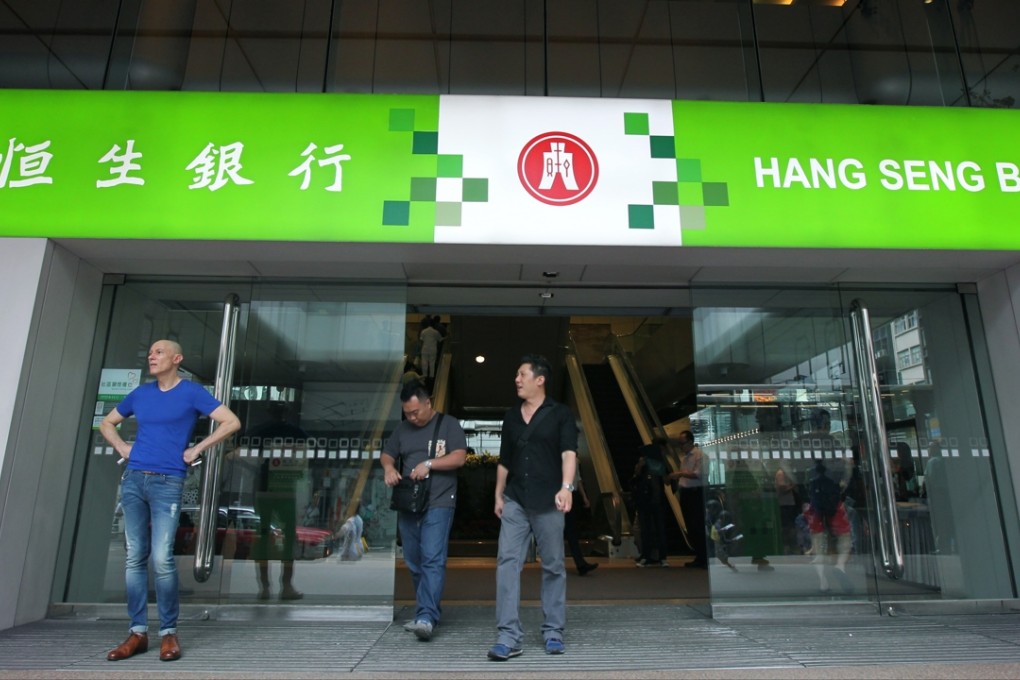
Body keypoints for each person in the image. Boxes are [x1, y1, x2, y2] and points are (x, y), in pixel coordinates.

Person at [99, 339, 241, 662]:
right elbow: (107, 422)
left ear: (177, 358)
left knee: (162, 558)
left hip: (168, 482)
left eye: (159, 352)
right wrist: (123, 448)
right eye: (149, 352)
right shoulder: (141, 394)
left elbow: (231, 421)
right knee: (135, 556)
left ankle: (168, 634)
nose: (152, 356)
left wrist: (197, 449)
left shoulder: (191, 392)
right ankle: (137, 633)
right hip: (134, 480)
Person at [488, 354, 578, 661]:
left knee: (553, 565)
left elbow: (569, 453)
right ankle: (508, 635)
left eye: (521, 374)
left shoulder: (561, 414)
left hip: (549, 500)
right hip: (516, 499)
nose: (516, 379)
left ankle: (553, 631)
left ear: (540, 380)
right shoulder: (511, 417)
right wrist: (499, 495)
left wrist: (566, 488)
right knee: (507, 563)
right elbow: (505, 460)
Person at [380, 380, 467, 642]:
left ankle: (427, 616)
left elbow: (460, 457)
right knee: (414, 561)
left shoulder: (449, 424)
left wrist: (429, 463)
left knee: (432, 557)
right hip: (409, 502)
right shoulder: (403, 428)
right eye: (407, 413)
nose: (412, 417)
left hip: (440, 500)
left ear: (428, 402)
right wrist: (389, 468)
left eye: (415, 412)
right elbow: (387, 454)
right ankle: (425, 611)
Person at [247, 403, 309, 601]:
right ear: (287, 413)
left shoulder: (259, 431)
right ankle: (286, 585)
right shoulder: (296, 432)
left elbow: (244, 449)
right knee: (288, 538)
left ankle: (264, 587)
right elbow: (306, 456)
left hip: (264, 489)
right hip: (286, 490)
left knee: (264, 537)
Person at [666, 430, 708, 569]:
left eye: (682, 443)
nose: (681, 446)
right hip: (687, 493)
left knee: (698, 525)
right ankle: (699, 556)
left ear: (690, 442)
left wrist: (679, 474)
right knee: (691, 525)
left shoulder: (700, 455)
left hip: (696, 492)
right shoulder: (684, 458)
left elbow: (698, 474)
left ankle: (703, 557)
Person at [632, 440, 669, 567]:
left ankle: (655, 556)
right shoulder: (650, 463)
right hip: (650, 500)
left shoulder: (659, 464)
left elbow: (667, 480)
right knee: (651, 529)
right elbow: (636, 476)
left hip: (652, 500)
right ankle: (653, 556)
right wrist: (640, 466)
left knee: (653, 529)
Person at [564, 473, 598, 576]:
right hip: (564, 493)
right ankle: (580, 564)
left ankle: (580, 563)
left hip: (572, 494)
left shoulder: (573, 460)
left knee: (570, 530)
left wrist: (584, 497)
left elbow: (578, 479)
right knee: (569, 530)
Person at [418, 318, 444, 390]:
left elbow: (421, 340)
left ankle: (425, 375)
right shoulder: (435, 332)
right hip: (433, 349)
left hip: (425, 349)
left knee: (424, 363)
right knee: (432, 362)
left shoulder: (423, 331)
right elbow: (440, 339)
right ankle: (432, 376)